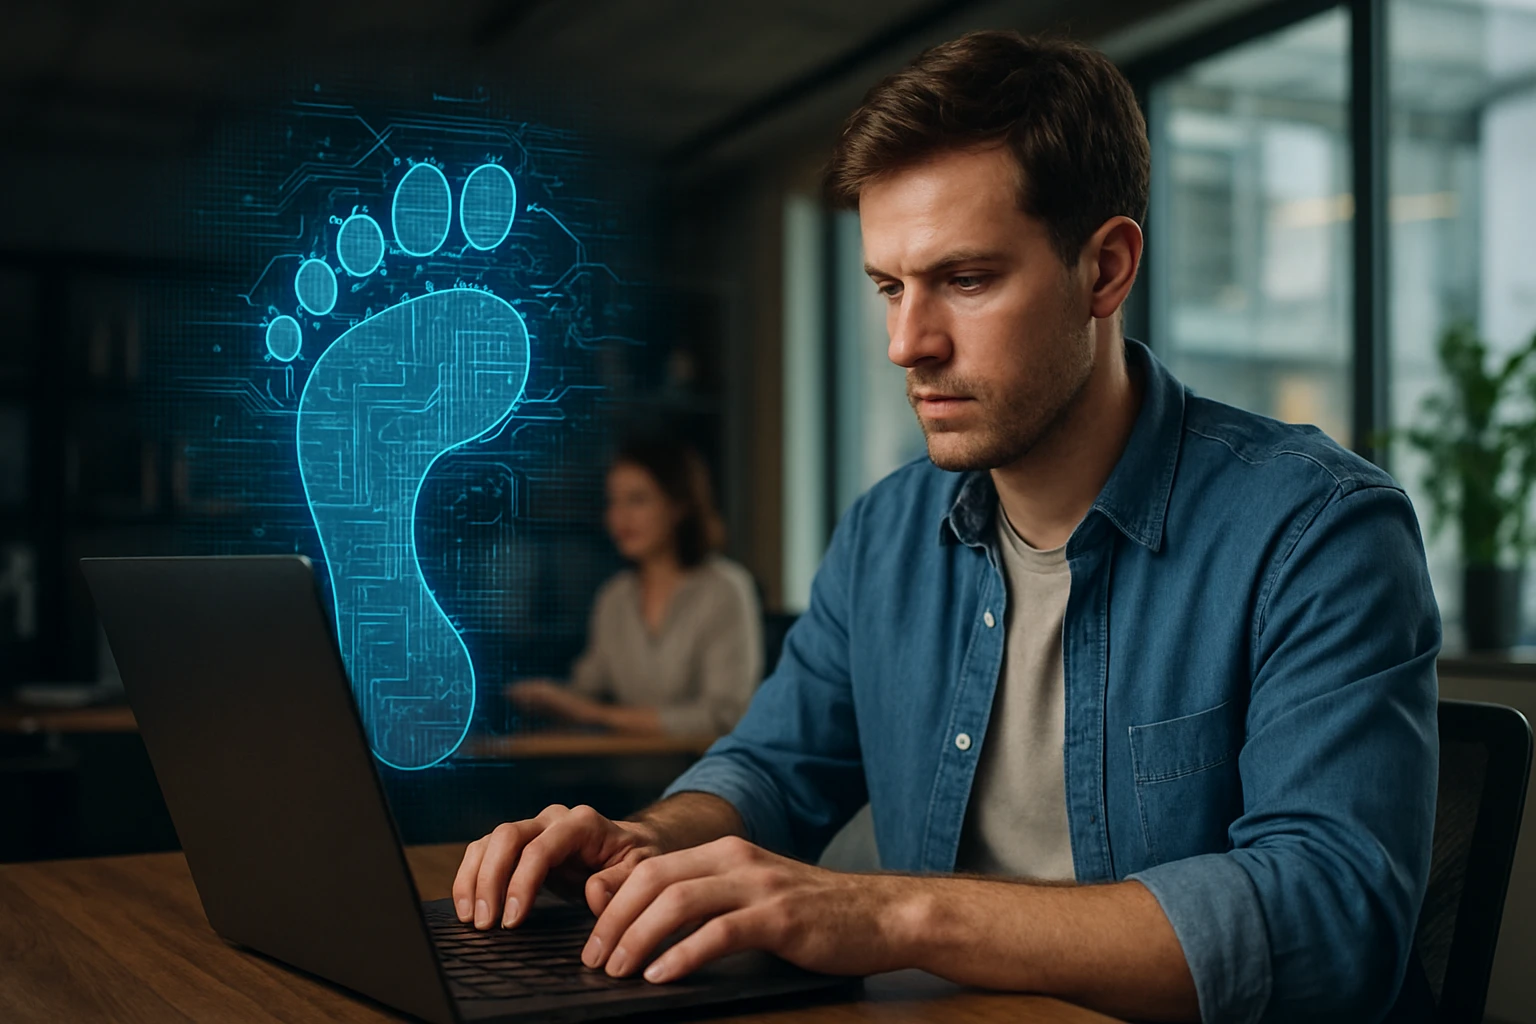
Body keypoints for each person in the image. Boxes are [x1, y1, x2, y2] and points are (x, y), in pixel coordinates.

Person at [457, 31, 1439, 1023]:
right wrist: (650, 838)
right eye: (890, 286)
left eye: (964, 280)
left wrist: (894, 916)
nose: (905, 343)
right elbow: (771, 765)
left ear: (1104, 270)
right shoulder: (884, 533)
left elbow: (1332, 918)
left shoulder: (1317, 530)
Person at [507, 438, 762, 737]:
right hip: (624, 772)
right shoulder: (615, 596)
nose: (619, 518)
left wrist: (598, 715)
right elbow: (587, 689)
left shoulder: (724, 588)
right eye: (613, 502)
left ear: (678, 505)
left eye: (637, 500)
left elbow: (723, 717)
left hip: (704, 774)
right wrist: (546, 698)